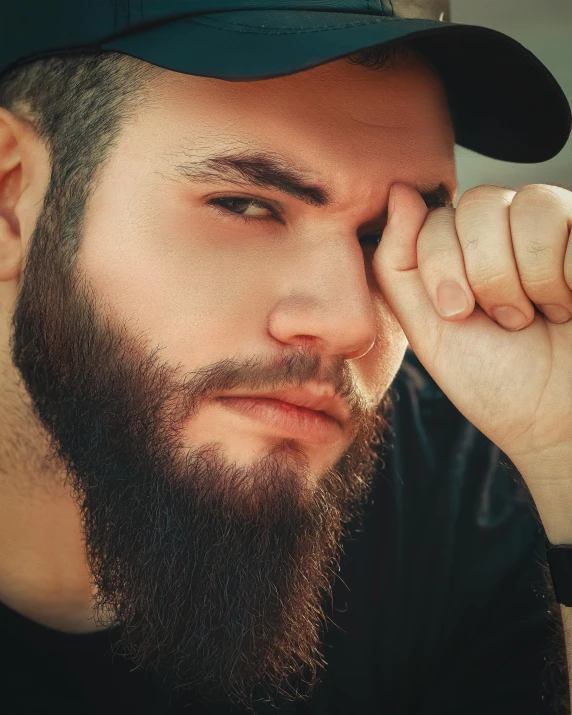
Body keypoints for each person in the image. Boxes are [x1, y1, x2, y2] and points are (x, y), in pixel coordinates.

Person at [0, 1, 571, 713]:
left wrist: (564, 453)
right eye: (245, 205)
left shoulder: (480, 491)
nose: (350, 323)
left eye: (387, 236)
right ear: (12, 196)